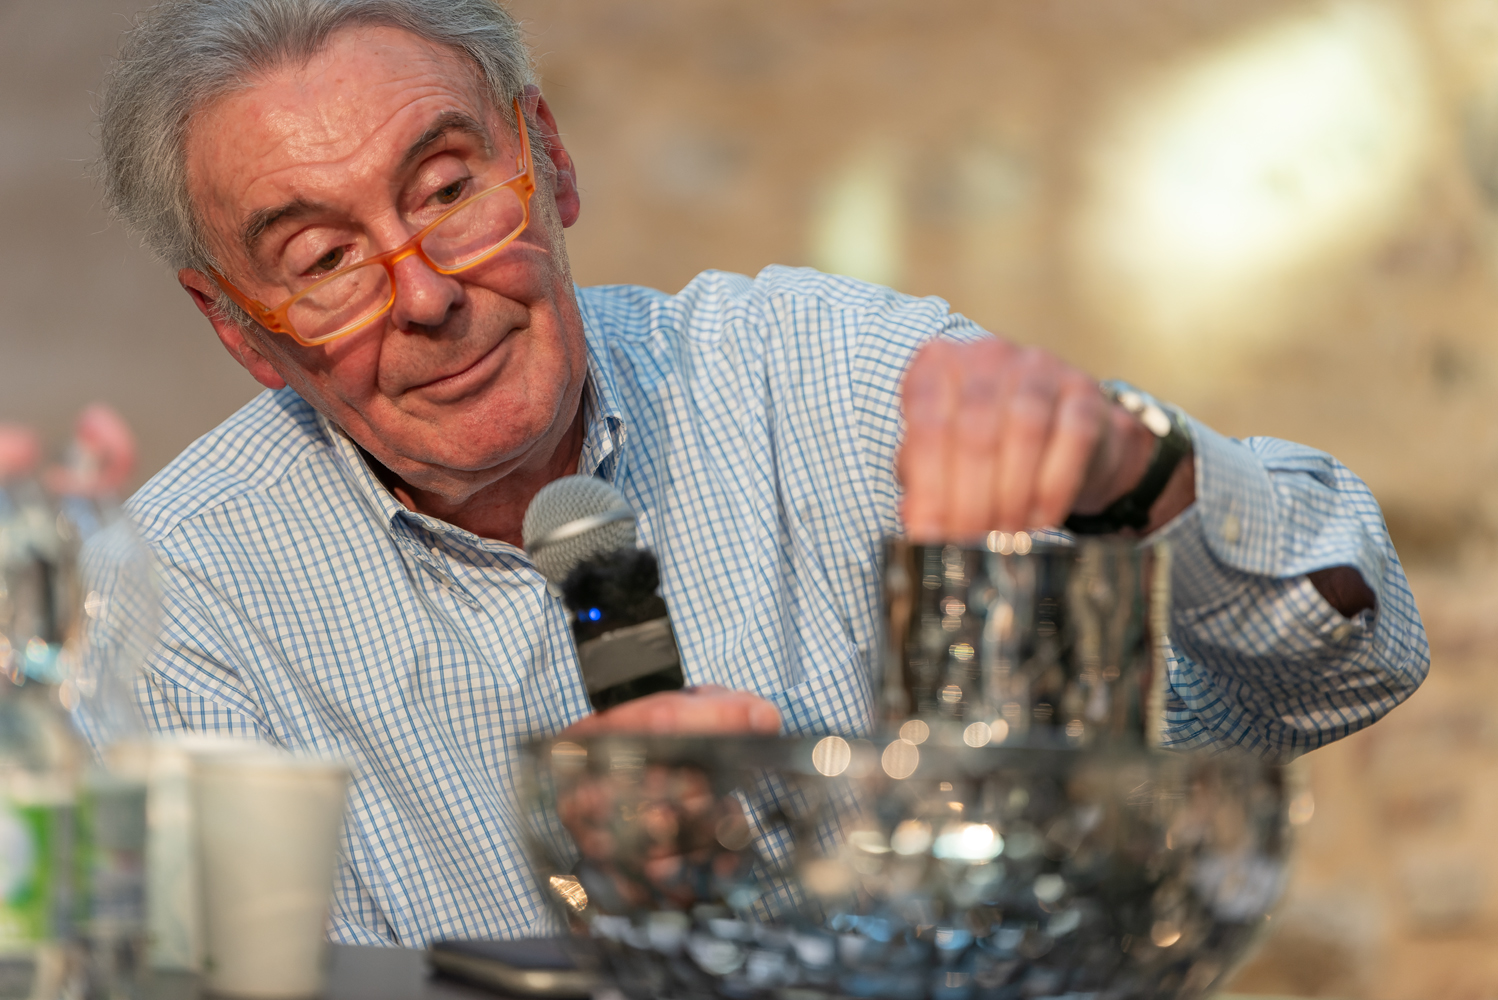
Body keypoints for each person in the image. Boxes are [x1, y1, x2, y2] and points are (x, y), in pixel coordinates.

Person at [93, 0, 1426, 946]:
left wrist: (1145, 472)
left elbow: (1342, 660)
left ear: (546, 161)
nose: (425, 294)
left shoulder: (813, 369)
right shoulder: (177, 599)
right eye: (323, 261)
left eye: (448, 190)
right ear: (239, 329)